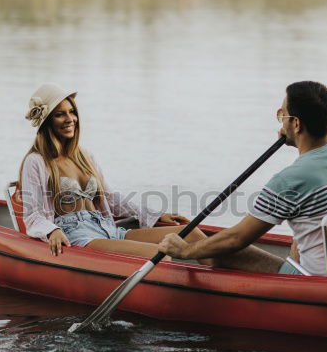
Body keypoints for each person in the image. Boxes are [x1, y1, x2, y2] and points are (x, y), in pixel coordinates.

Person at [157, 80, 327, 276]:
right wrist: (295, 140)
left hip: (319, 283)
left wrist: (184, 250)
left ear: (297, 124)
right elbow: (318, 169)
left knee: (215, 251)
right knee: (303, 222)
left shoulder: (288, 180)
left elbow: (237, 239)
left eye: (283, 116)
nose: (281, 122)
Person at [19, 83, 208, 257]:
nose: (70, 119)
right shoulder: (36, 161)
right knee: (160, 255)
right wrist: (52, 230)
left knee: (191, 233)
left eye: (72, 112)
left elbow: (110, 198)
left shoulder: (84, 155)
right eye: (60, 114)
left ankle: (230, 278)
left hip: (106, 227)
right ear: (46, 121)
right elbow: (33, 214)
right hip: (75, 234)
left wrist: (156, 215)